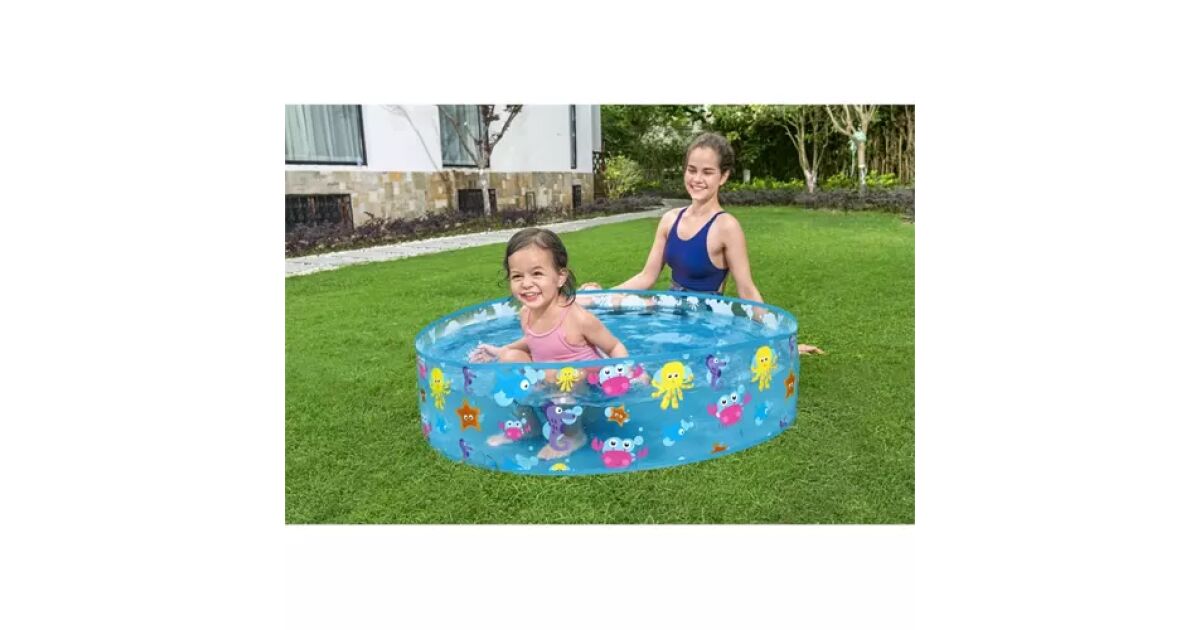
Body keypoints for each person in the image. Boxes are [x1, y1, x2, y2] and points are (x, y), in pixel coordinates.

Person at [580, 131, 825, 356]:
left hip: (705, 323)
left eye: (707, 172)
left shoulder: (726, 227)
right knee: (603, 330)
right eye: (692, 170)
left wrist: (781, 342)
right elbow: (647, 277)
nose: (697, 179)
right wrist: (601, 297)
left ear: (723, 176)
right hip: (670, 313)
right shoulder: (669, 220)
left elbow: (747, 290)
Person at [469, 227, 629, 458]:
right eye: (517, 276)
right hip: (550, 384)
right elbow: (534, 341)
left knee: (569, 375)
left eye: (537, 273)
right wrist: (502, 350)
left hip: (589, 396)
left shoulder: (577, 318)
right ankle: (529, 424)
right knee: (509, 360)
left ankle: (573, 435)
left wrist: (626, 373)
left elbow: (614, 346)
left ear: (560, 277)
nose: (526, 283)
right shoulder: (526, 313)